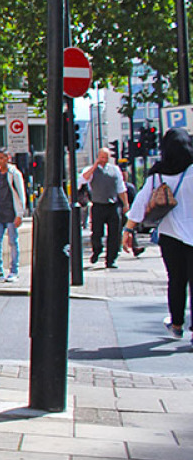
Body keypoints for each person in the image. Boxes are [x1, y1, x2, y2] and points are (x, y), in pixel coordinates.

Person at [123, 128, 193, 341]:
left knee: (176, 280)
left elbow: (141, 202)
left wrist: (128, 230)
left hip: (170, 236)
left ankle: (177, 324)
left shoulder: (158, 174)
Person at [81, 148, 129, 268]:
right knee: (97, 233)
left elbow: (121, 188)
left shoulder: (115, 170)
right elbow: (83, 178)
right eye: (102, 157)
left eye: (106, 157)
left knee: (114, 233)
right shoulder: (91, 170)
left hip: (112, 205)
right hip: (98, 205)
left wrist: (125, 204)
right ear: (98, 157)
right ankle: (97, 250)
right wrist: (95, 166)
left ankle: (111, 259)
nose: (104, 160)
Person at [0, 148, 25, 282]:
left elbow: (21, 194)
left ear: (8, 158)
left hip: (11, 213)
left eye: (1, 158)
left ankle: (14, 271)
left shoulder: (14, 173)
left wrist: (20, 214)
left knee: (13, 242)